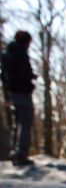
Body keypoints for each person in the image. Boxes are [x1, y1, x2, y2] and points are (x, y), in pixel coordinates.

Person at [1, 30, 36, 167]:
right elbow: (23, 74)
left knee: (17, 123)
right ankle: (21, 155)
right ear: (25, 41)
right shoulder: (20, 54)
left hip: (12, 92)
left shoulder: (8, 53)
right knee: (25, 122)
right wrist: (29, 81)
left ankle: (14, 153)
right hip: (22, 92)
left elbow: (4, 75)